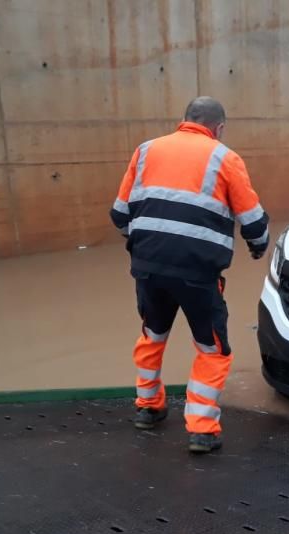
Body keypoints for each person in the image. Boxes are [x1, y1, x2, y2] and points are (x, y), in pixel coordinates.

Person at [109, 97, 269, 453]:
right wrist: (258, 245)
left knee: (152, 334)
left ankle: (148, 409)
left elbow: (120, 214)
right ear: (219, 128)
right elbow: (253, 220)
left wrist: (148, 244)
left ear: (183, 120)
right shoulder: (225, 158)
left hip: (148, 268)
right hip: (198, 274)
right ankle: (201, 430)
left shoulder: (147, 151)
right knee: (213, 349)